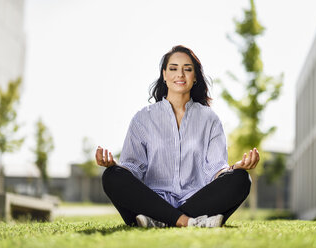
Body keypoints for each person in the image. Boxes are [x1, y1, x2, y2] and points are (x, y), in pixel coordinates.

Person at [95, 45, 259, 228]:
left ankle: (159, 221)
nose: (180, 74)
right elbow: (133, 167)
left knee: (241, 179)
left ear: (195, 76)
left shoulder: (209, 119)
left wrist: (236, 167)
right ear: (164, 74)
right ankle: (189, 222)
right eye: (173, 68)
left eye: (187, 69)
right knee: (111, 176)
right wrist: (114, 166)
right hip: (151, 202)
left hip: (196, 201)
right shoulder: (143, 118)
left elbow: (216, 169)